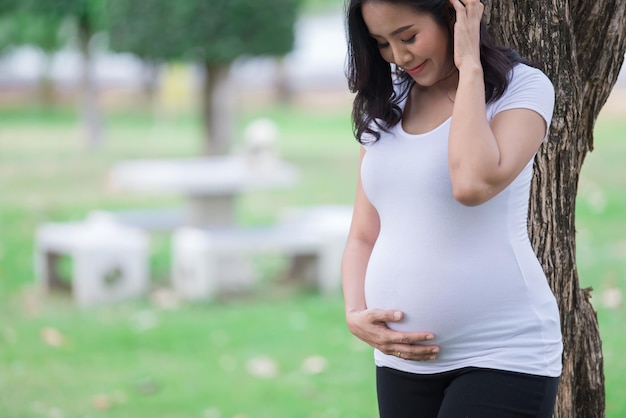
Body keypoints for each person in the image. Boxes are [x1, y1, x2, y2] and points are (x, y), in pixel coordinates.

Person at [340, 0, 563, 417]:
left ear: (452, 16)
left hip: (502, 353)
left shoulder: (523, 89)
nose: (399, 56)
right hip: (401, 359)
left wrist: (470, 67)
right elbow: (364, 233)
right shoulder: (387, 103)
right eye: (382, 43)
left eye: (408, 36)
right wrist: (355, 313)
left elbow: (472, 183)